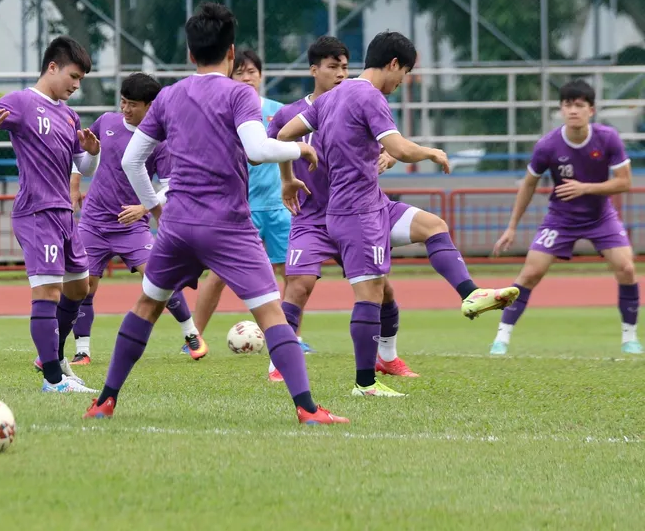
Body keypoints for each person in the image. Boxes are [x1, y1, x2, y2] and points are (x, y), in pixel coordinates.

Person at [84, 2, 347, 425]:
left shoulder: (168, 96)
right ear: (231, 53)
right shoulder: (240, 93)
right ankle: (308, 409)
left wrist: (154, 207)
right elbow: (258, 150)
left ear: (190, 55)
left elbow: (132, 160)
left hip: (178, 225)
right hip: (227, 225)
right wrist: (300, 147)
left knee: (146, 307)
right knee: (271, 314)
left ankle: (105, 401)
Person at [277, 30, 520, 398]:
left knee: (433, 226)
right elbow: (398, 149)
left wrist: (289, 177)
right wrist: (430, 152)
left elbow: (283, 134)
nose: (400, 82)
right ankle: (365, 383)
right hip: (355, 212)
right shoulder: (369, 95)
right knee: (371, 292)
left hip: (375, 205)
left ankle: (470, 293)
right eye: (403, 74)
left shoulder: (331, 97)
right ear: (392, 64)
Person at [267, 36, 419, 382]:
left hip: (355, 213)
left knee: (383, 291)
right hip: (312, 218)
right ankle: (278, 363)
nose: (340, 73)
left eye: (345, 67)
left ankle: (388, 357)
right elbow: (277, 142)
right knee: (299, 284)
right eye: (332, 67)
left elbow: (387, 142)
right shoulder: (292, 114)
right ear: (314, 70)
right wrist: (287, 179)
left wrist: (388, 155)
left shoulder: (357, 101)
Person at [0, 36, 100, 394]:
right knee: (47, 294)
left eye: (81, 80)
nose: (76, 85)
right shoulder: (23, 102)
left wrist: (92, 153)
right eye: (73, 76)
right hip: (37, 212)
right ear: (52, 67)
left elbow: (82, 167)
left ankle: (49, 356)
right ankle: (53, 380)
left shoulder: (69, 114)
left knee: (80, 287)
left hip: (64, 213)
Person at [490, 80, 639, 355]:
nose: (573, 110)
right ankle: (501, 338)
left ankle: (630, 338)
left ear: (591, 110)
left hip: (600, 217)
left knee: (627, 269)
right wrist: (511, 228)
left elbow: (625, 182)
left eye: (579, 105)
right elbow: (529, 185)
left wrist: (585, 188)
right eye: (568, 105)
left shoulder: (608, 138)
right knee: (531, 273)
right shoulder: (547, 145)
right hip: (560, 219)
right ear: (561, 110)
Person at [68, 72, 206, 364]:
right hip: (93, 223)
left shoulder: (162, 142)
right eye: (122, 102)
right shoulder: (106, 122)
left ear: (150, 106)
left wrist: (144, 208)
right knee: (84, 285)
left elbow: (170, 186)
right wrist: (76, 185)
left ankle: (191, 333)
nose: (125, 109)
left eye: (132, 104)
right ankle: (82, 350)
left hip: (132, 226)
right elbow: (82, 156)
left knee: (158, 277)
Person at [190, 49, 307, 354]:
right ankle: (193, 337)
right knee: (217, 276)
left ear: (261, 75)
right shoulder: (225, 112)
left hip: (281, 208)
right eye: (239, 72)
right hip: (240, 210)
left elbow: (303, 144)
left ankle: (291, 337)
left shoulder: (280, 112)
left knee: (292, 274)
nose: (246, 77)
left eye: (251, 71)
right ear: (231, 75)